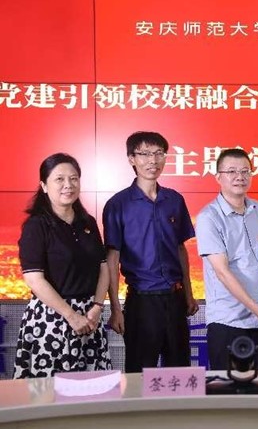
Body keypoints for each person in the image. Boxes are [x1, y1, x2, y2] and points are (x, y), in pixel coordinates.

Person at [103, 131, 198, 373]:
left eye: (158, 153)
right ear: (131, 159)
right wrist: (115, 308)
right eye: (144, 154)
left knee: (180, 373)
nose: (152, 161)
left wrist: (188, 294)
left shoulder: (174, 200)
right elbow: (112, 259)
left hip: (175, 299)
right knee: (139, 374)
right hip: (142, 302)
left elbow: (180, 249)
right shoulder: (118, 205)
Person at [14, 153, 111, 378]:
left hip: (90, 317)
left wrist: (97, 307)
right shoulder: (37, 225)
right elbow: (34, 279)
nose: (68, 185)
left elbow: (103, 267)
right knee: (48, 390)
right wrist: (70, 315)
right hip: (51, 318)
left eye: (74, 178)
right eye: (59, 179)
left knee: (92, 387)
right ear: (44, 186)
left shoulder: (88, 222)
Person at [195, 148, 258, 371]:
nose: (239, 177)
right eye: (232, 171)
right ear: (218, 177)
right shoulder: (209, 217)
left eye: (245, 171)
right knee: (229, 390)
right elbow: (222, 272)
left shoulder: (257, 209)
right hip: (229, 322)